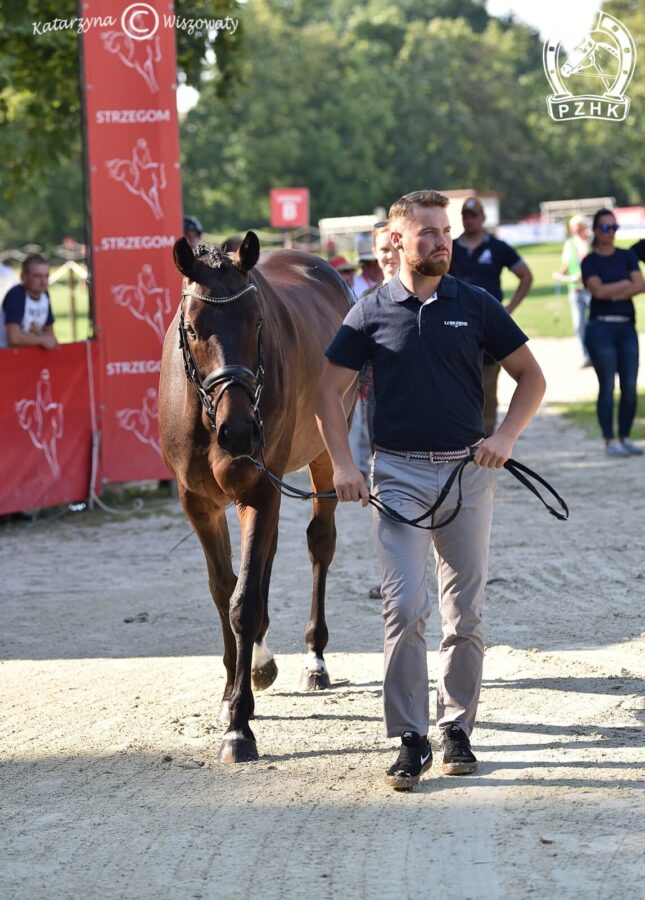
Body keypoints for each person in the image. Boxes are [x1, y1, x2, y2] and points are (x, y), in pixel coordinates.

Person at [316, 190, 545, 790]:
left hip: (468, 475)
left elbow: (531, 377)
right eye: (427, 232)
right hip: (396, 477)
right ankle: (411, 738)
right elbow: (324, 392)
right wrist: (343, 465)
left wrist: (507, 437)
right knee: (404, 608)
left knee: (464, 612)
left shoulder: (476, 304)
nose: (441, 240)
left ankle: (458, 727)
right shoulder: (368, 312)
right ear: (397, 240)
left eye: (444, 231)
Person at [450, 197, 533, 435]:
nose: (470, 220)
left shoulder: (498, 247)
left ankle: (485, 439)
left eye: (474, 215)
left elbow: (525, 276)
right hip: (455, 324)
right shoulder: (452, 247)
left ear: (483, 218)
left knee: (487, 387)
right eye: (466, 215)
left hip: (488, 327)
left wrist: (509, 309)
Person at [581, 209, 645, 457]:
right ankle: (609, 440)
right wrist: (625, 286)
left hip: (626, 326)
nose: (610, 232)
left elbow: (641, 284)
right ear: (596, 230)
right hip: (601, 328)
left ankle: (625, 437)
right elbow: (598, 292)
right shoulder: (590, 261)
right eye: (606, 228)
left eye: (614, 227)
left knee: (629, 385)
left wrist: (613, 290)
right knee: (607, 385)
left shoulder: (627, 256)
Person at [555, 215, 592, 366]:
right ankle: (586, 356)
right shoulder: (569, 244)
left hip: (592, 289)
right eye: (573, 228)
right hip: (575, 290)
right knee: (579, 325)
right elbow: (566, 263)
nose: (575, 231)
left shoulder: (591, 243)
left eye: (578, 228)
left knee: (594, 323)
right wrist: (559, 273)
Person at [2, 254, 58, 349]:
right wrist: (42, 340)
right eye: (37, 276)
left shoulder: (44, 295)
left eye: (46, 276)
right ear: (24, 277)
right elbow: (14, 338)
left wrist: (45, 338)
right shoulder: (16, 295)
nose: (44, 282)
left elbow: (49, 333)